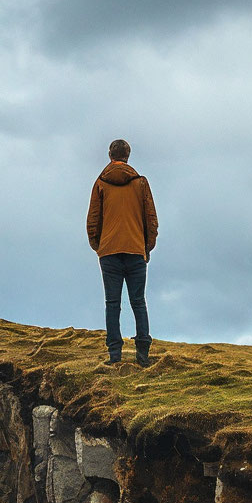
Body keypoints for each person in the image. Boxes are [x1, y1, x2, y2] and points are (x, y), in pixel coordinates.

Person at [86, 139, 159, 366]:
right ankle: (143, 355)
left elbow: (93, 220)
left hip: (109, 252)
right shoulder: (141, 183)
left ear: (110, 155)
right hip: (136, 250)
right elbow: (151, 218)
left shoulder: (101, 183)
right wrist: (146, 246)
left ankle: (114, 355)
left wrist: (99, 246)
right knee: (138, 302)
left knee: (112, 303)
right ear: (128, 156)